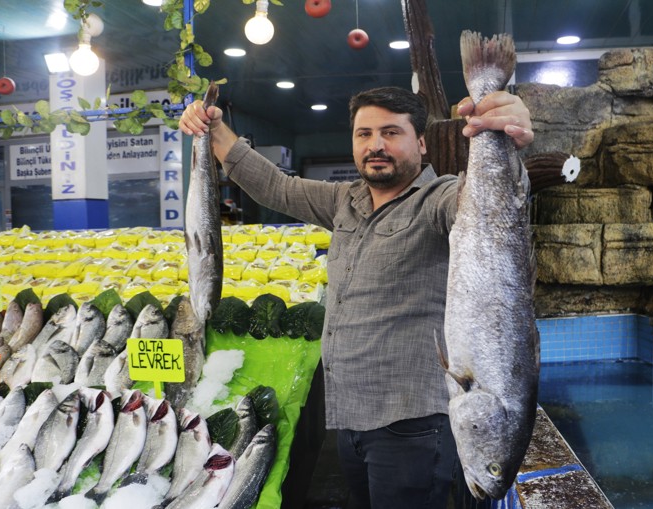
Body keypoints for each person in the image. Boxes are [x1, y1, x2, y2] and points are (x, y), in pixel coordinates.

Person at [179, 86, 533, 509]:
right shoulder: (345, 201)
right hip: (350, 418)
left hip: (413, 426)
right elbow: (275, 187)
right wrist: (214, 129)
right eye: (363, 134)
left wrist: (509, 143)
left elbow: (489, 212)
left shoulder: (440, 199)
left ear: (420, 142)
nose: (375, 145)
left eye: (390, 132)